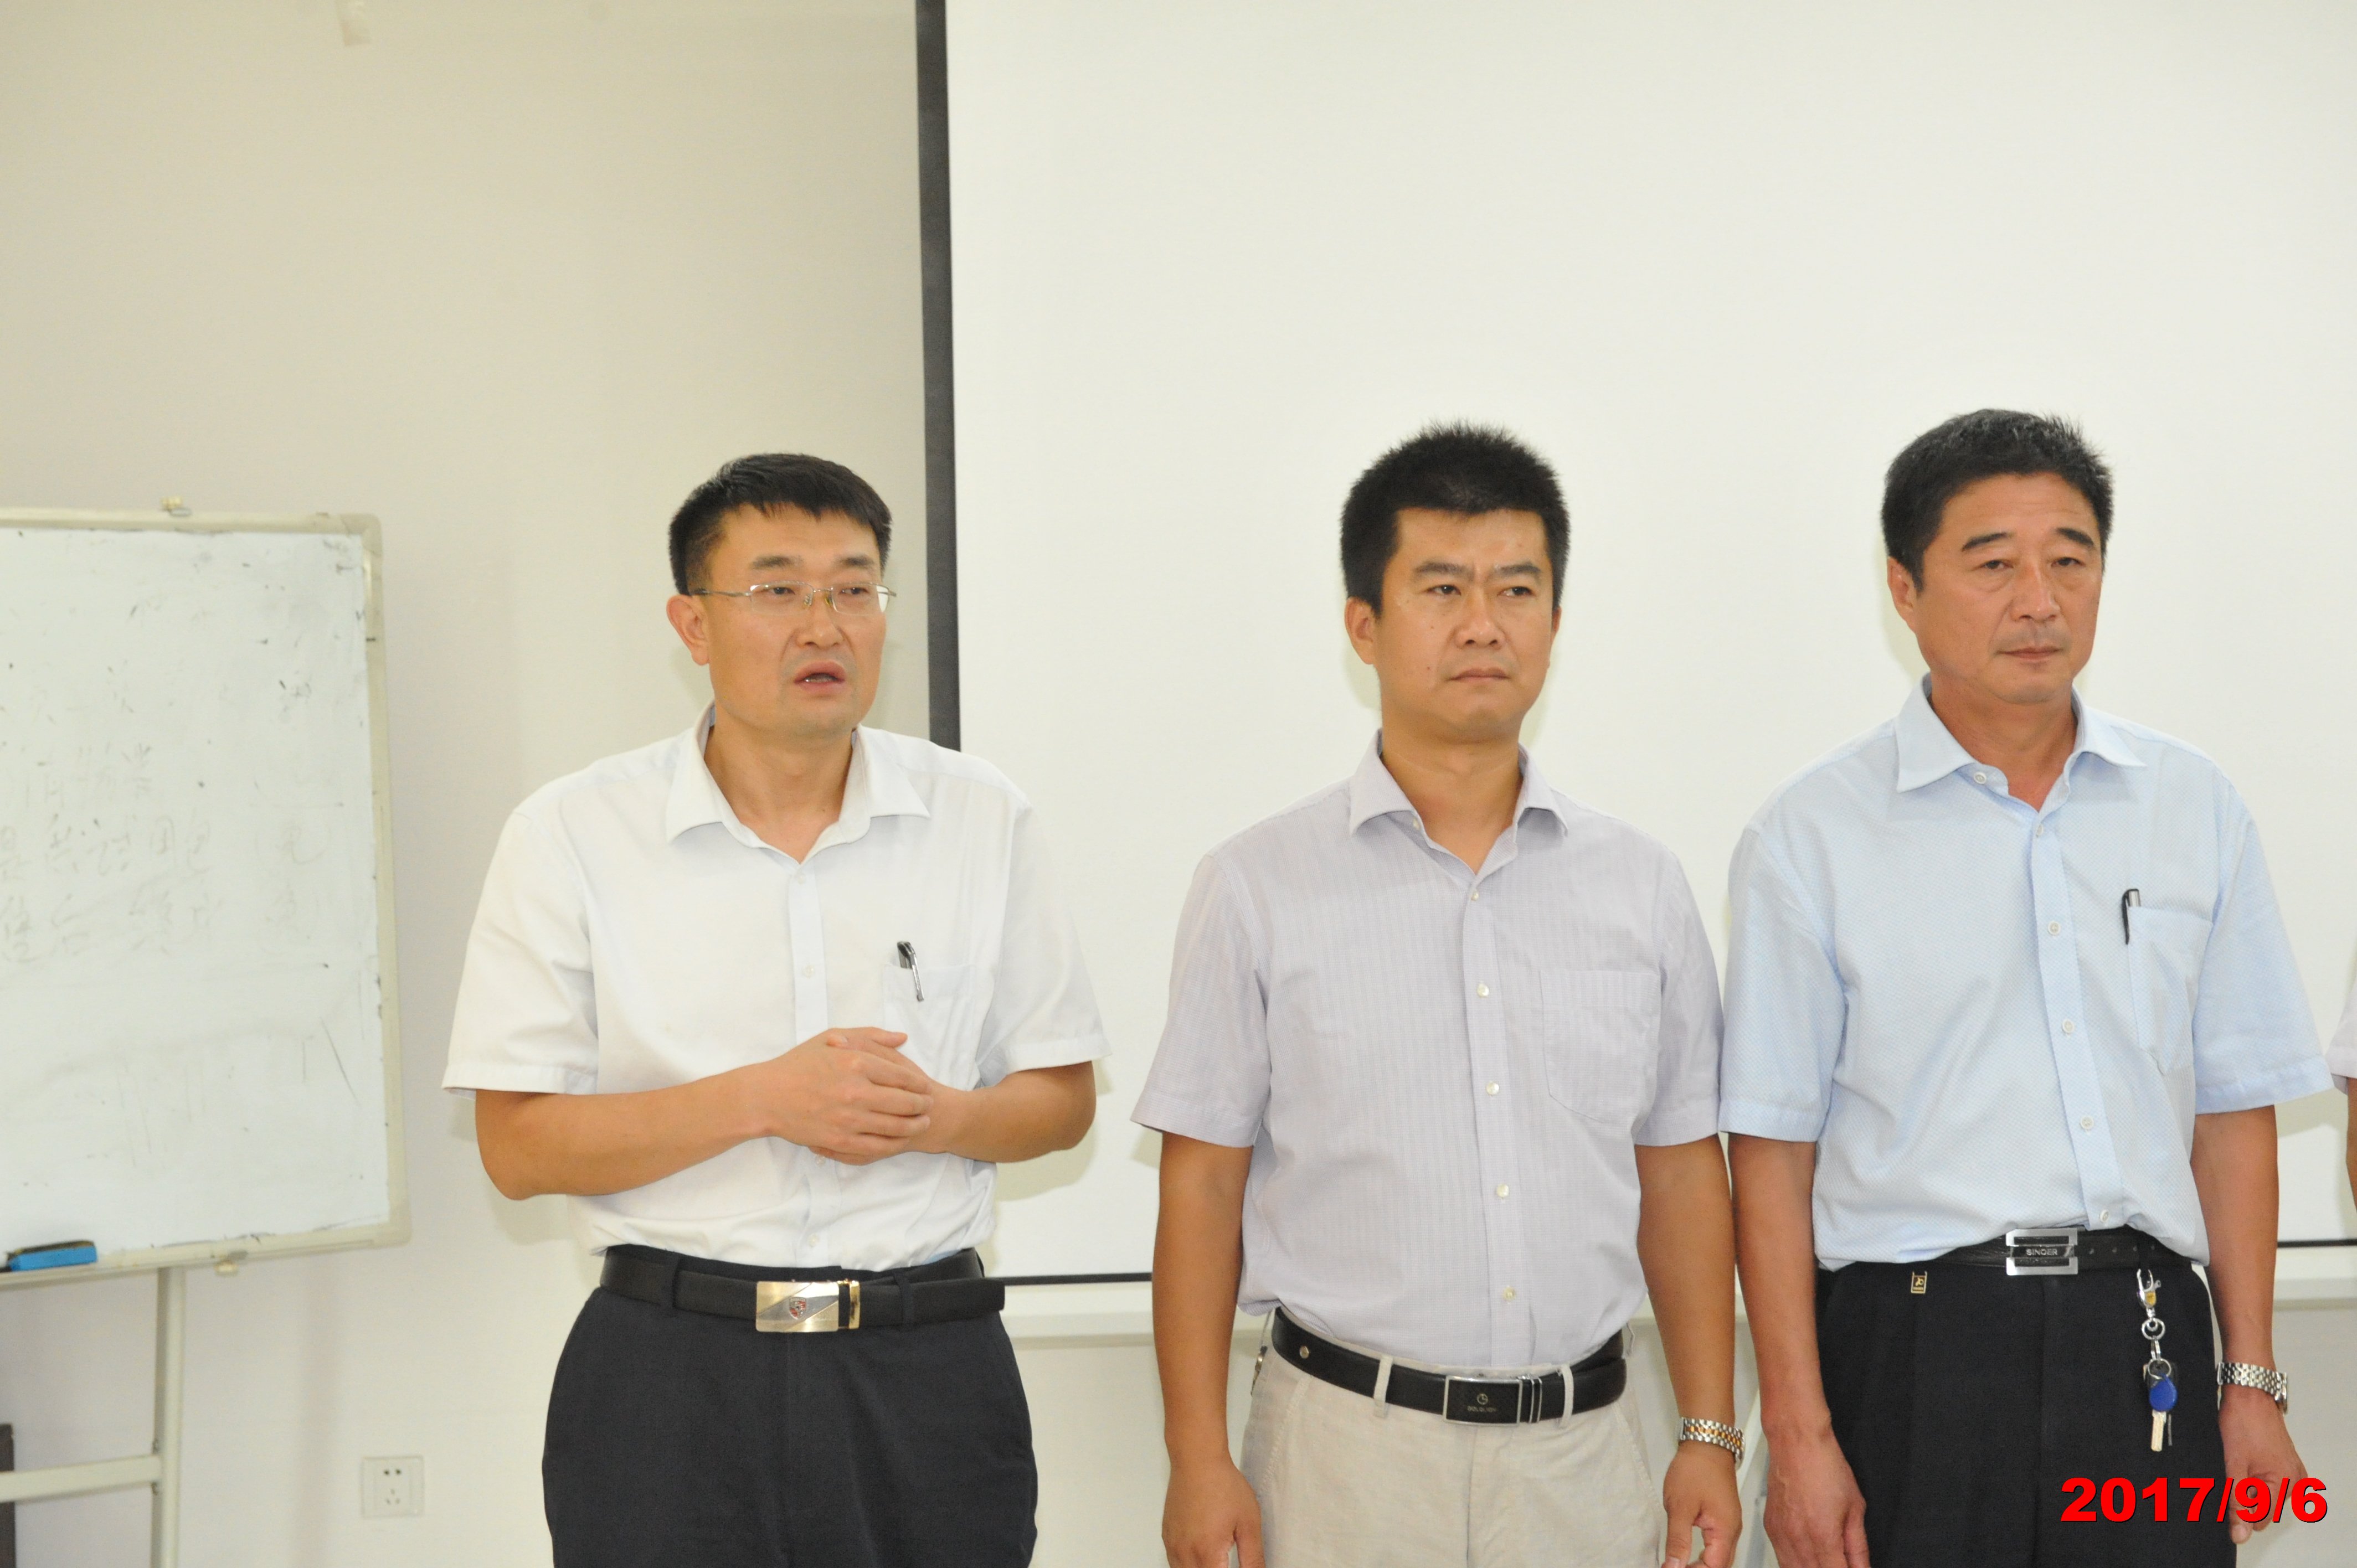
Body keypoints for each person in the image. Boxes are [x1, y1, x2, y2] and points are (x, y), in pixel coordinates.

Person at [442, 453, 1107, 1568]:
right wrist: (764, 1100)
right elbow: (518, 1149)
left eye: (854, 588)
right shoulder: (572, 834)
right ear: (691, 625)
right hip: (669, 1372)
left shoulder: (981, 817)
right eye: (778, 589)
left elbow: (1061, 1098)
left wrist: (928, 1116)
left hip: (924, 1367)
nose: (824, 626)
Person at [1722, 410, 2331, 1568]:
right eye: (1993, 564)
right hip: (1916, 1350)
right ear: (1903, 589)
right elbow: (1771, 1155)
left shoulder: (2191, 805)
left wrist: (2250, 1379)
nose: (2039, 602)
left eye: (2070, 560)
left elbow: (2232, 1113)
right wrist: (1795, 1432)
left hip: (2141, 1344)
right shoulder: (1813, 835)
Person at [1140, 424, 1743, 1568]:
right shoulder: (1257, 884)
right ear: (1363, 625)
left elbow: (1678, 1174)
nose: (1483, 624)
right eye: (1442, 588)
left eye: (1517, 588)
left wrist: (1708, 1433)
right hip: (1344, 1456)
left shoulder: (1641, 884)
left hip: (1585, 1457)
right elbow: (1202, 1185)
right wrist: (1197, 1457)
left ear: (1554, 620)